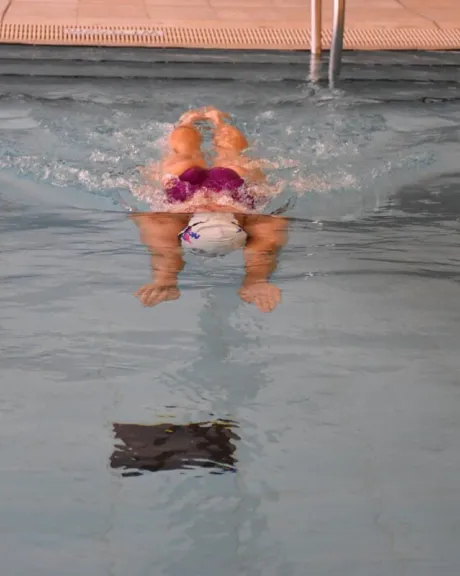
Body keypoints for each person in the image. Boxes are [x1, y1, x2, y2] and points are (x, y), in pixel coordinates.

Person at [130, 106, 288, 313]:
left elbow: (263, 250)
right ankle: (199, 122)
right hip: (187, 192)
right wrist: (164, 280)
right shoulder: (166, 222)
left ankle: (207, 121)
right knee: (184, 156)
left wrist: (256, 280)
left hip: (232, 191)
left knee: (230, 155)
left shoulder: (261, 224)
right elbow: (164, 251)